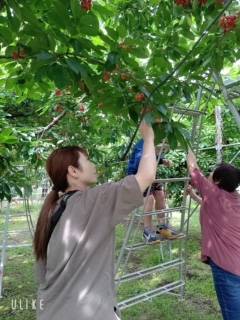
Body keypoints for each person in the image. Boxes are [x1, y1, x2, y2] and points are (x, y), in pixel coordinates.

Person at [33, 121, 156, 320]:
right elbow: (146, 176)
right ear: (73, 171)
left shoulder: (50, 210)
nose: (93, 164)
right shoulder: (95, 200)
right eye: (88, 160)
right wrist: (148, 137)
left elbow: (41, 274)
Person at [187, 148, 240, 320]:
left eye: (210, 174)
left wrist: (186, 143)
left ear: (217, 182)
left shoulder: (214, 194)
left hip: (227, 269)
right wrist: (194, 196)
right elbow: (211, 208)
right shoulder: (234, 199)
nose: (208, 176)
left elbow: (193, 168)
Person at [127, 139, 180, 243]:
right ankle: (147, 230)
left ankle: (162, 227)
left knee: (160, 195)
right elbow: (139, 161)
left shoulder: (158, 140)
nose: (162, 152)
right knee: (149, 199)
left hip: (151, 174)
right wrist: (154, 156)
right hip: (138, 175)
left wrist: (163, 160)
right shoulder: (143, 144)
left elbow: (157, 157)